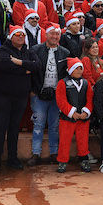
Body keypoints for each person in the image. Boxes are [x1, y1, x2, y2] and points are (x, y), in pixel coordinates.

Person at [0, 26, 38, 173]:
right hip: (3, 96)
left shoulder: (28, 52)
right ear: (11, 36)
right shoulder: (3, 50)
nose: (20, 37)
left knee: (14, 129)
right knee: (0, 128)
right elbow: (3, 65)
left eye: (23, 35)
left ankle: (12, 158)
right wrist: (25, 69)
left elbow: (37, 66)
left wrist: (18, 63)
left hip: (20, 97)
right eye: (17, 34)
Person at [29, 24, 70, 165]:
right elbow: (31, 71)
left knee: (54, 126)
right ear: (46, 35)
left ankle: (54, 153)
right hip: (39, 94)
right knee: (38, 124)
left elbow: (65, 74)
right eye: (52, 34)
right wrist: (33, 90)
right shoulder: (35, 50)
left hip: (56, 95)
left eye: (57, 34)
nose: (54, 37)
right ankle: (36, 153)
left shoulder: (65, 52)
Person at [56, 59, 94, 173]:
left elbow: (90, 99)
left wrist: (86, 112)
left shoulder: (86, 83)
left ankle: (84, 159)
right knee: (64, 140)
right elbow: (61, 100)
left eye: (80, 68)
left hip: (82, 119)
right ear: (70, 70)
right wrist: (72, 113)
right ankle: (62, 161)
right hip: (67, 119)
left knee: (83, 140)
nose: (79, 70)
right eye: (76, 68)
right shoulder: (62, 83)